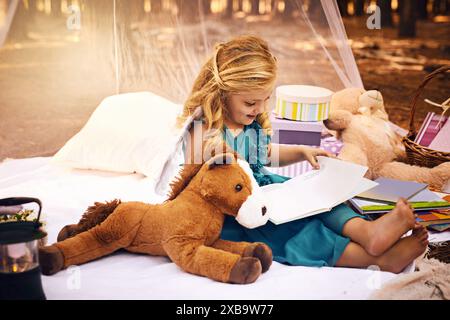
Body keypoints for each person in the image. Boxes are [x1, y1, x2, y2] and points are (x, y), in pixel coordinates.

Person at [177, 35, 428, 273]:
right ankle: (378, 260)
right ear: (222, 94)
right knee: (293, 231)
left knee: (321, 198)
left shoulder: (246, 122)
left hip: (266, 189)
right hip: (237, 209)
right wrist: (214, 155)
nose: (260, 108)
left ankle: (367, 232)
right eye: (251, 103)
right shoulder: (204, 130)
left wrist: (301, 152)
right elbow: (198, 182)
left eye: (265, 99)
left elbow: (263, 155)